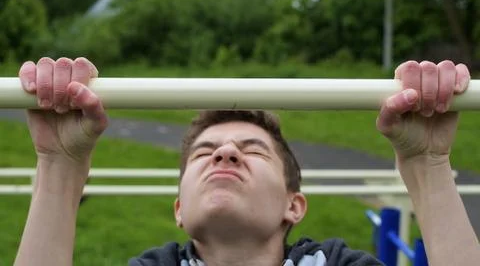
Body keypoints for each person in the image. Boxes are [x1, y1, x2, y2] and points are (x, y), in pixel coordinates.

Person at [12, 57, 479, 266]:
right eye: (203, 153)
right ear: (179, 209)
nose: (225, 151)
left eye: (252, 150)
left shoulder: (333, 264)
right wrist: (59, 165)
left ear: (294, 205)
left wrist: (428, 167)